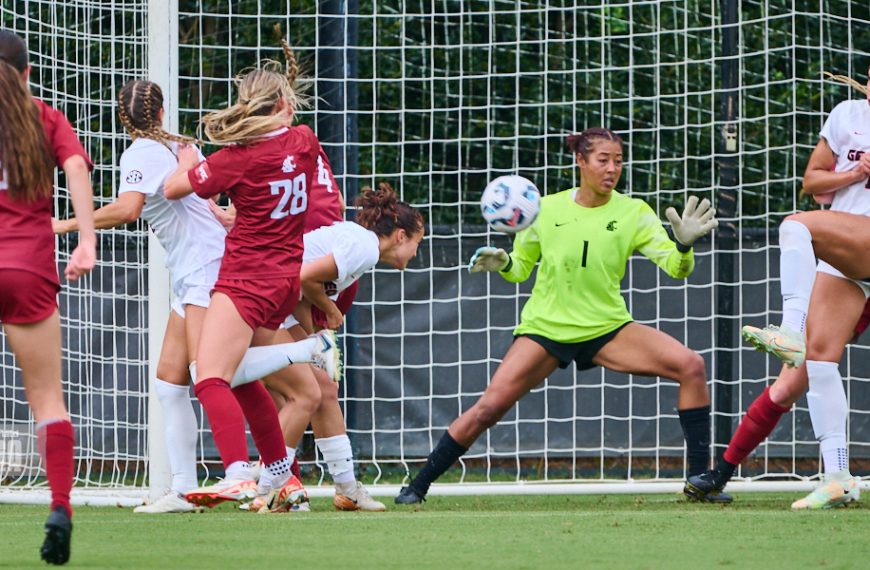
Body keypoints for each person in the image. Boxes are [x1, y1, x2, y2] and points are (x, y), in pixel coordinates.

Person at [395, 127, 720, 505]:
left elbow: (677, 269)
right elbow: (520, 269)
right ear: (580, 162)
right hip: (546, 329)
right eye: (602, 160)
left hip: (607, 327)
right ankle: (417, 486)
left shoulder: (634, 213)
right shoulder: (545, 210)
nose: (612, 168)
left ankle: (701, 480)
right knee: (488, 408)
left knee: (691, 365)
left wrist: (683, 246)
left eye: (618, 161)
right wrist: (504, 262)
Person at [54, 78, 336, 513]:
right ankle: (187, 488)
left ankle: (242, 469)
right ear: (163, 113)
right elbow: (223, 190)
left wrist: (67, 225)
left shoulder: (141, 153)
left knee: (216, 374)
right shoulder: (187, 145)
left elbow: (129, 208)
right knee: (170, 382)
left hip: (209, 269)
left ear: (121, 119)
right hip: (195, 269)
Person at [162, 44, 339, 513]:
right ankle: (283, 480)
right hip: (285, 279)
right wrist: (240, 210)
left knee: (209, 376)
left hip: (245, 280)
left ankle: (239, 475)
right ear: (284, 103)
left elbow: (174, 188)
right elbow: (270, 196)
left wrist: (186, 159)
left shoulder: (234, 159)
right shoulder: (304, 139)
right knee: (242, 378)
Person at [691, 68, 870, 509]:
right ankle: (837, 477)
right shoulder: (847, 114)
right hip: (850, 253)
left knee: (794, 227)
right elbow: (812, 182)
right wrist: (851, 175)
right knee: (809, 369)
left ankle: (789, 330)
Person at [235, 182, 424, 512]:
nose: (416, 252)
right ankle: (265, 488)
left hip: (276, 306)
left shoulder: (359, 246)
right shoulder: (363, 247)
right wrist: (333, 311)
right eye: (418, 242)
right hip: (256, 303)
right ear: (400, 236)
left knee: (324, 388)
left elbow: (300, 294)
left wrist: (312, 338)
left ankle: (347, 489)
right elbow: (303, 277)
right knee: (305, 394)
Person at [0, 29, 96, 565]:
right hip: (28, 269)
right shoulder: (44, 116)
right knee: (47, 401)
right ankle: (60, 507)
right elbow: (77, 167)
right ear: (28, 73)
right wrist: (85, 239)